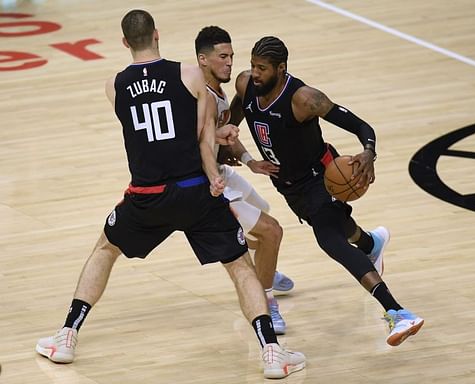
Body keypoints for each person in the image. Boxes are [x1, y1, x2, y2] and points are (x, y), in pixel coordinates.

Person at [35, 13, 305, 379]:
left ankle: (66, 336)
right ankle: (272, 353)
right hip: (196, 191)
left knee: (105, 250)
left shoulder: (114, 85)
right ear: (157, 35)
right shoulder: (191, 75)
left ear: (126, 43)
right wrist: (214, 176)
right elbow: (203, 135)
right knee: (240, 266)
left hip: (146, 195)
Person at [228, 35, 424, 347]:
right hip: (288, 185)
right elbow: (238, 113)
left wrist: (368, 152)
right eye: (252, 65)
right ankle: (371, 242)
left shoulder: (304, 99)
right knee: (338, 228)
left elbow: (362, 126)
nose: (255, 73)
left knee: (330, 239)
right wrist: (227, 135)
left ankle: (397, 311)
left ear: (281, 69)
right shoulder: (245, 84)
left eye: (262, 68)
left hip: (320, 178)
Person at [195, 26, 295, 334]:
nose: (229, 63)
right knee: (271, 233)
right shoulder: (199, 97)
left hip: (223, 173)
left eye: (231, 56)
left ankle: (263, 269)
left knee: (264, 213)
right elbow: (197, 144)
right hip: (207, 183)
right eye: (222, 57)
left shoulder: (219, 89)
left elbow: (224, 135)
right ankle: (266, 303)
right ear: (203, 60)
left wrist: (251, 162)